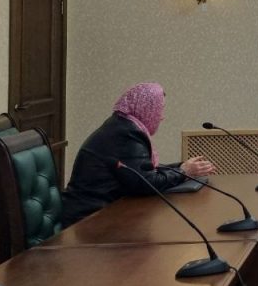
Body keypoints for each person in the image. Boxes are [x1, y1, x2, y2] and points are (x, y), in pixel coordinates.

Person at [61, 82, 216, 227]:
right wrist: (184, 171)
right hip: (89, 219)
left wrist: (181, 167)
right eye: (159, 109)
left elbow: (141, 171)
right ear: (146, 108)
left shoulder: (122, 125)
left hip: (102, 211)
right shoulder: (125, 134)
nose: (162, 116)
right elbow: (145, 184)